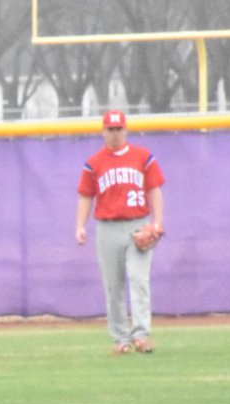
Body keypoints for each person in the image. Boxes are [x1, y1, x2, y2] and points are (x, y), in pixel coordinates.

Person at [75, 109, 165, 355]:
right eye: (110, 129)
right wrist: (80, 225)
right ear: (103, 132)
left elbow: (154, 189)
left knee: (139, 280)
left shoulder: (143, 157)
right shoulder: (94, 163)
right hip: (107, 228)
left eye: (118, 129)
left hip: (138, 224)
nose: (115, 133)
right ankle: (120, 339)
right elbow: (86, 196)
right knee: (113, 286)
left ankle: (141, 335)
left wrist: (157, 222)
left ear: (126, 130)